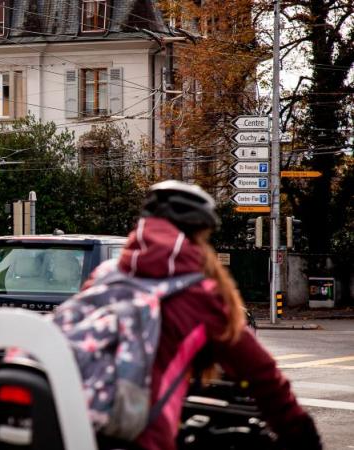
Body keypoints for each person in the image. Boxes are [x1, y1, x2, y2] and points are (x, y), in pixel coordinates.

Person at [103, 180, 321, 450]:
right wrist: (303, 436)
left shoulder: (106, 275)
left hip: (67, 422)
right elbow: (261, 374)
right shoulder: (195, 293)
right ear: (199, 235)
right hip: (139, 435)